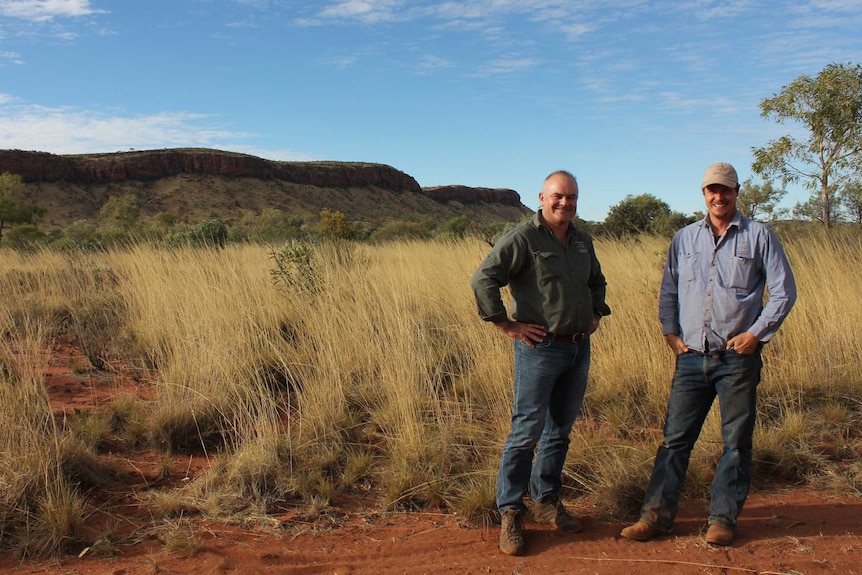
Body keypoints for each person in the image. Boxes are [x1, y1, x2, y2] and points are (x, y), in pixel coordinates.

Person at [620, 162, 797, 546]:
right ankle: (655, 517)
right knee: (674, 440)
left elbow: (784, 293)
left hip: (737, 358)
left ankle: (722, 519)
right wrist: (669, 331)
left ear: (737, 191)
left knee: (735, 442)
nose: (719, 197)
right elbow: (669, 290)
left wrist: (756, 334)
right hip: (690, 357)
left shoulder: (759, 236)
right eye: (712, 190)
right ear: (703, 193)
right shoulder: (684, 239)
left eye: (726, 190)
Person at [470, 170, 611, 556]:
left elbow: (596, 281)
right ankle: (511, 511)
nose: (565, 203)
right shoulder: (523, 238)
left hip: (578, 348)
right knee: (526, 430)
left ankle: (546, 501)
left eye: (572, 198)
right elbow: (483, 279)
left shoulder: (582, 241)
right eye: (558, 197)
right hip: (540, 348)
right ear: (542, 197)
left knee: (560, 430)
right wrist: (505, 324)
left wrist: (596, 312)